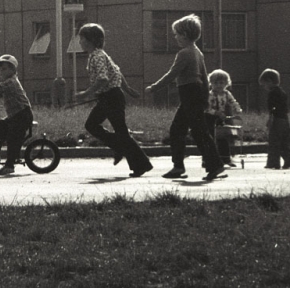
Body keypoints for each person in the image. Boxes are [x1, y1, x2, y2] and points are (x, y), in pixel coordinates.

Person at [145, 14, 226, 181]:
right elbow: (204, 78)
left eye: (177, 34)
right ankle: (180, 166)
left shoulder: (184, 53)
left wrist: (154, 87)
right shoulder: (198, 53)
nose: (175, 37)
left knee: (196, 131)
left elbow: (172, 74)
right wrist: (205, 98)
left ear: (185, 35)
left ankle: (213, 165)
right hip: (195, 94)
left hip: (189, 93)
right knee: (182, 130)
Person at [74, 23, 152, 177]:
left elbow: (103, 79)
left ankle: (138, 162)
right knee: (107, 128)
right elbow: (116, 71)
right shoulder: (99, 55)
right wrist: (127, 89)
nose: (80, 41)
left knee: (102, 127)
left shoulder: (97, 56)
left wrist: (86, 94)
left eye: (82, 38)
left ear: (90, 40)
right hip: (110, 96)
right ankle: (127, 153)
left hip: (111, 97)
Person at [206, 69, 242, 168]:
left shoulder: (226, 94)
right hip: (210, 117)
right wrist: (216, 112)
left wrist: (237, 109)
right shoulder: (210, 95)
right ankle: (208, 160)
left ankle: (225, 158)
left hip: (221, 117)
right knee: (210, 138)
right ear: (211, 83)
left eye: (221, 83)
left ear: (226, 83)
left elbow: (233, 102)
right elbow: (207, 108)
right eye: (215, 83)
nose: (219, 85)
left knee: (223, 137)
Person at [259, 68, 290, 169]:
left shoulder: (272, 93)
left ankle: (273, 163)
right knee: (284, 142)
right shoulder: (283, 92)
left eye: (264, 84)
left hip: (277, 119)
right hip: (285, 119)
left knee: (274, 142)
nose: (264, 87)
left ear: (269, 81)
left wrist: (270, 118)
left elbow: (272, 107)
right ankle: (288, 160)